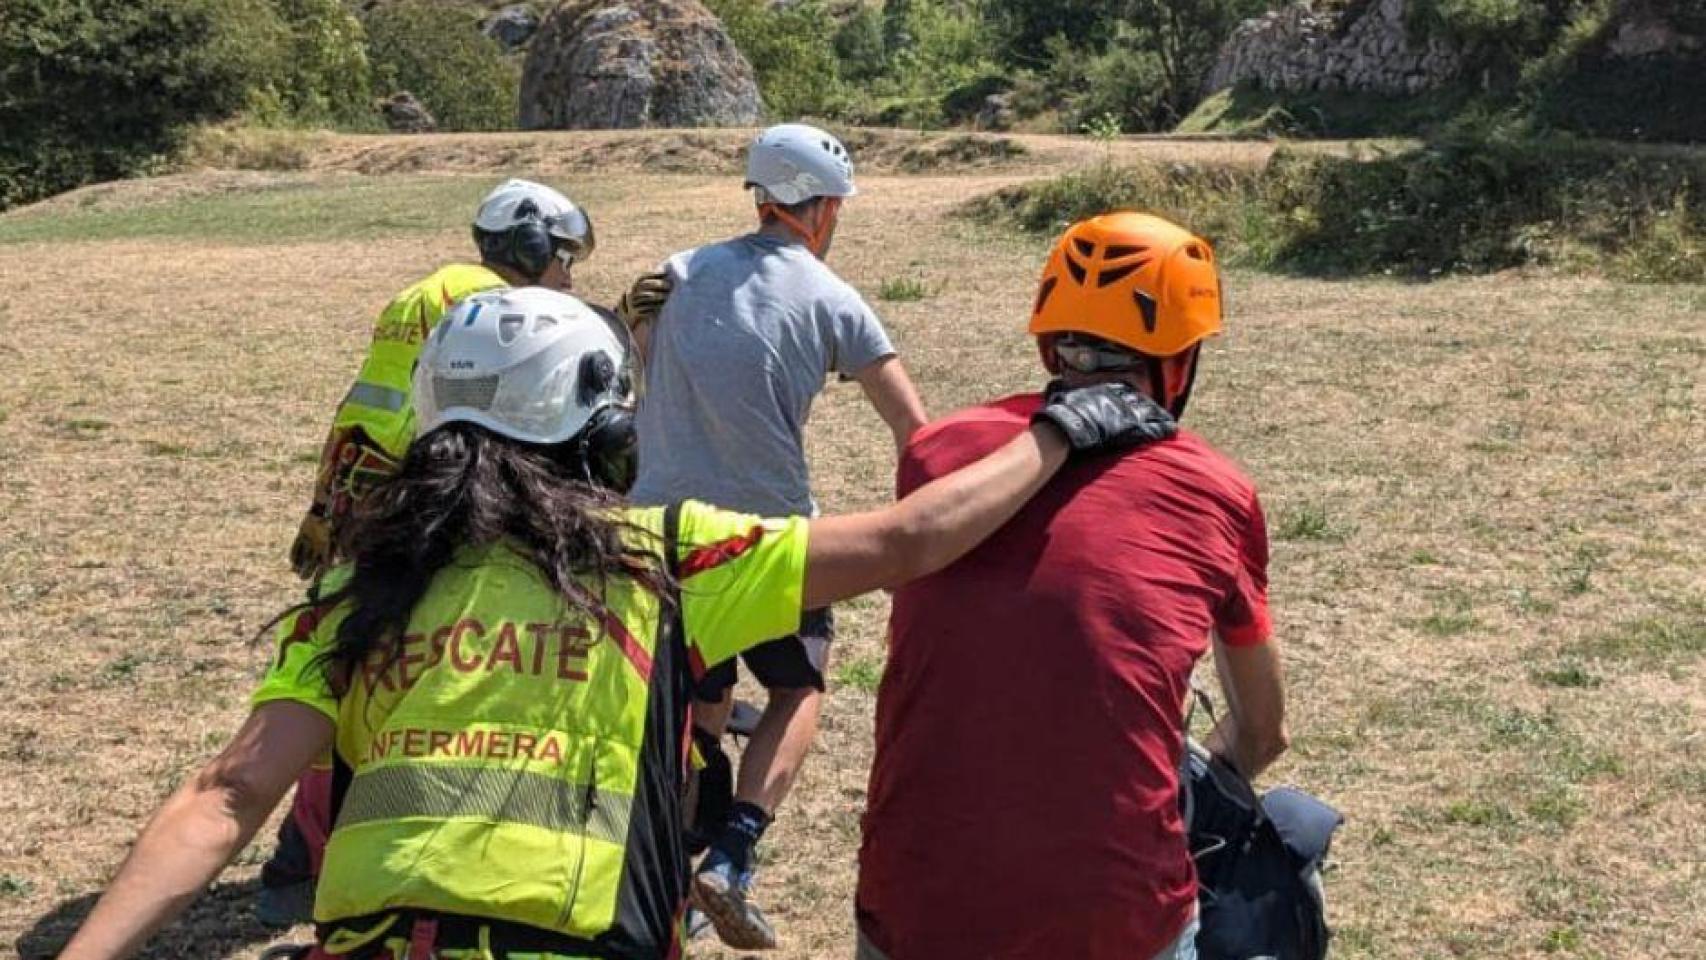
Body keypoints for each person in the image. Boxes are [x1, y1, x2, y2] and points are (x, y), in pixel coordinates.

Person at [57, 287, 1176, 960]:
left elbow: (225, 796)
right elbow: (905, 542)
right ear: (600, 429)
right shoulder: (666, 559)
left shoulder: (360, 592)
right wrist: (1061, 432)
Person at [855, 212, 1291, 960]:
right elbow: (1263, 730)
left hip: (917, 903)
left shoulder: (937, 454)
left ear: (1049, 339)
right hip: (1115, 924)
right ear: (1179, 363)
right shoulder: (1219, 493)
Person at [621, 122, 928, 949]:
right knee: (797, 689)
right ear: (821, 209)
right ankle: (734, 853)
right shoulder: (833, 297)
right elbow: (916, 429)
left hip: (659, 531)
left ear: (763, 198)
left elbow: (631, 350)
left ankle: (674, 874)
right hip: (767, 538)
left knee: (704, 704)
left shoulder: (678, 270)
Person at [260, 178, 596, 927]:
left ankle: (296, 856)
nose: (569, 277)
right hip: (423, 507)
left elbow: (363, 405)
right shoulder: (482, 304)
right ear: (531, 247)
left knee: (346, 673)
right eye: (563, 259)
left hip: (365, 493)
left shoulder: (425, 291)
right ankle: (313, 853)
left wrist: (325, 502)